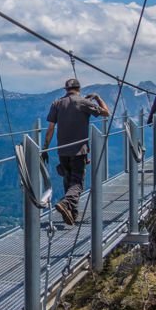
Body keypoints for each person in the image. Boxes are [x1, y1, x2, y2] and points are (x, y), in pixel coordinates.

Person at [43, 78, 110, 226]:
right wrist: (97, 97)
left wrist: (45, 148)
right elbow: (106, 113)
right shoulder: (84, 103)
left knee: (68, 181)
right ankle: (67, 203)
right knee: (77, 182)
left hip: (62, 150)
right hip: (79, 150)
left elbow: (50, 129)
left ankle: (71, 214)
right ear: (79, 89)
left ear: (65, 89)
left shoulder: (57, 103)